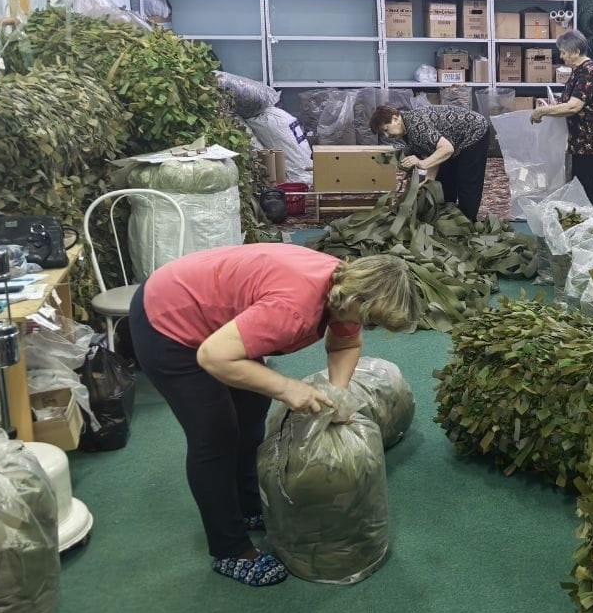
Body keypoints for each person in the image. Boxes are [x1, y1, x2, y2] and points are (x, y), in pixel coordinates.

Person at [128, 244, 421, 587]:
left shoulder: (347, 290)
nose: (365, 328)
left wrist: (338, 395)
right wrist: (287, 387)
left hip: (214, 318)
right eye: (369, 320)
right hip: (167, 320)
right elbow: (213, 357)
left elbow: (345, 344)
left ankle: (248, 504)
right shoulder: (294, 309)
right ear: (356, 298)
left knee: (252, 408)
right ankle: (230, 549)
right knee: (215, 434)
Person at [370, 103, 490, 222]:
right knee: (445, 178)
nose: (387, 135)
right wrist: (429, 178)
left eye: (386, 129)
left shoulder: (417, 126)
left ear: (395, 118)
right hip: (453, 138)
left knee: (467, 179)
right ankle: (448, 214)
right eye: (383, 133)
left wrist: (422, 163)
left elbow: (447, 149)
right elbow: (434, 150)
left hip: (474, 130)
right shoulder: (406, 128)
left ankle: (467, 222)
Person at [530, 29, 593, 205]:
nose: (561, 57)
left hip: (588, 139)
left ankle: (592, 219)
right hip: (579, 138)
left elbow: (574, 106)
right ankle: (581, 217)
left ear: (576, 51)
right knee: (578, 183)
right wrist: (551, 106)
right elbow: (570, 100)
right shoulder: (578, 71)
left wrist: (542, 111)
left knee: (585, 185)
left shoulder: (590, 72)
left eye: (564, 52)